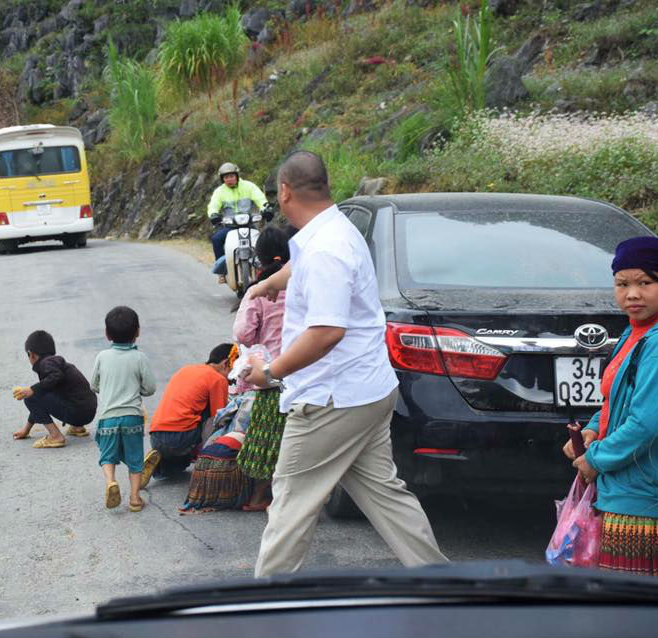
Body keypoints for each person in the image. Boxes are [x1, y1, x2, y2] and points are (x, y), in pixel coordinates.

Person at [243, 150, 447, 577]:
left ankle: (265, 607)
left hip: (329, 400)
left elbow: (325, 333)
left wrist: (269, 373)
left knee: (291, 505)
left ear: (284, 192)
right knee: (385, 496)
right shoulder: (336, 230)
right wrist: (268, 285)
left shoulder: (325, 251)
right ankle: (445, 583)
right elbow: (301, 270)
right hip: (367, 392)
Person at [564, 236, 658, 582]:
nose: (632, 294)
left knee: (644, 617)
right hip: (632, 491)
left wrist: (594, 460)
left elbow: (646, 424)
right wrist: (594, 428)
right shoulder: (636, 333)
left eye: (645, 282)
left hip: (652, 501)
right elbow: (618, 399)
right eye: (622, 284)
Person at [232, 226, 290, 511]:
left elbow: (243, 334)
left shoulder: (259, 291)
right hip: (303, 375)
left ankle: (258, 498)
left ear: (259, 258)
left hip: (270, 377)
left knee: (265, 443)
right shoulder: (301, 284)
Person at [90, 306, 158, 512]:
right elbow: (150, 388)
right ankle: (135, 498)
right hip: (132, 418)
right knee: (135, 457)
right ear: (137, 331)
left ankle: (111, 481)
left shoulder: (102, 356)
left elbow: (94, 385)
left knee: (107, 455)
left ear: (107, 333)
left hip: (108, 417)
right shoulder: (140, 358)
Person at [148, 343, 234, 478]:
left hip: (155, 435)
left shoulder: (186, 369)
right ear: (225, 364)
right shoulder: (218, 379)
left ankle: (159, 464)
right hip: (179, 439)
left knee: (179, 466)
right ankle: (204, 457)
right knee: (219, 414)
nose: (234, 380)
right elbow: (219, 418)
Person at [13, 330, 97, 448]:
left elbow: (54, 378)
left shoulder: (46, 364)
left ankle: (55, 435)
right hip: (88, 412)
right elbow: (41, 398)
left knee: (30, 397)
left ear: (31, 354)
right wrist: (26, 429)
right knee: (37, 394)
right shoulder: (55, 363)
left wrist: (32, 390)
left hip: (77, 412)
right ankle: (78, 428)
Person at [207, 162, 268, 274]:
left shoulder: (249, 186)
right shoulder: (219, 191)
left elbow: (260, 198)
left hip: (248, 224)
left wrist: (265, 208)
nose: (229, 179)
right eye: (226, 177)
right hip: (230, 226)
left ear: (237, 175)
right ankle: (222, 271)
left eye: (231, 176)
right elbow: (213, 205)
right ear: (222, 179)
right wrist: (213, 214)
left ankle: (265, 268)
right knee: (216, 239)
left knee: (263, 241)